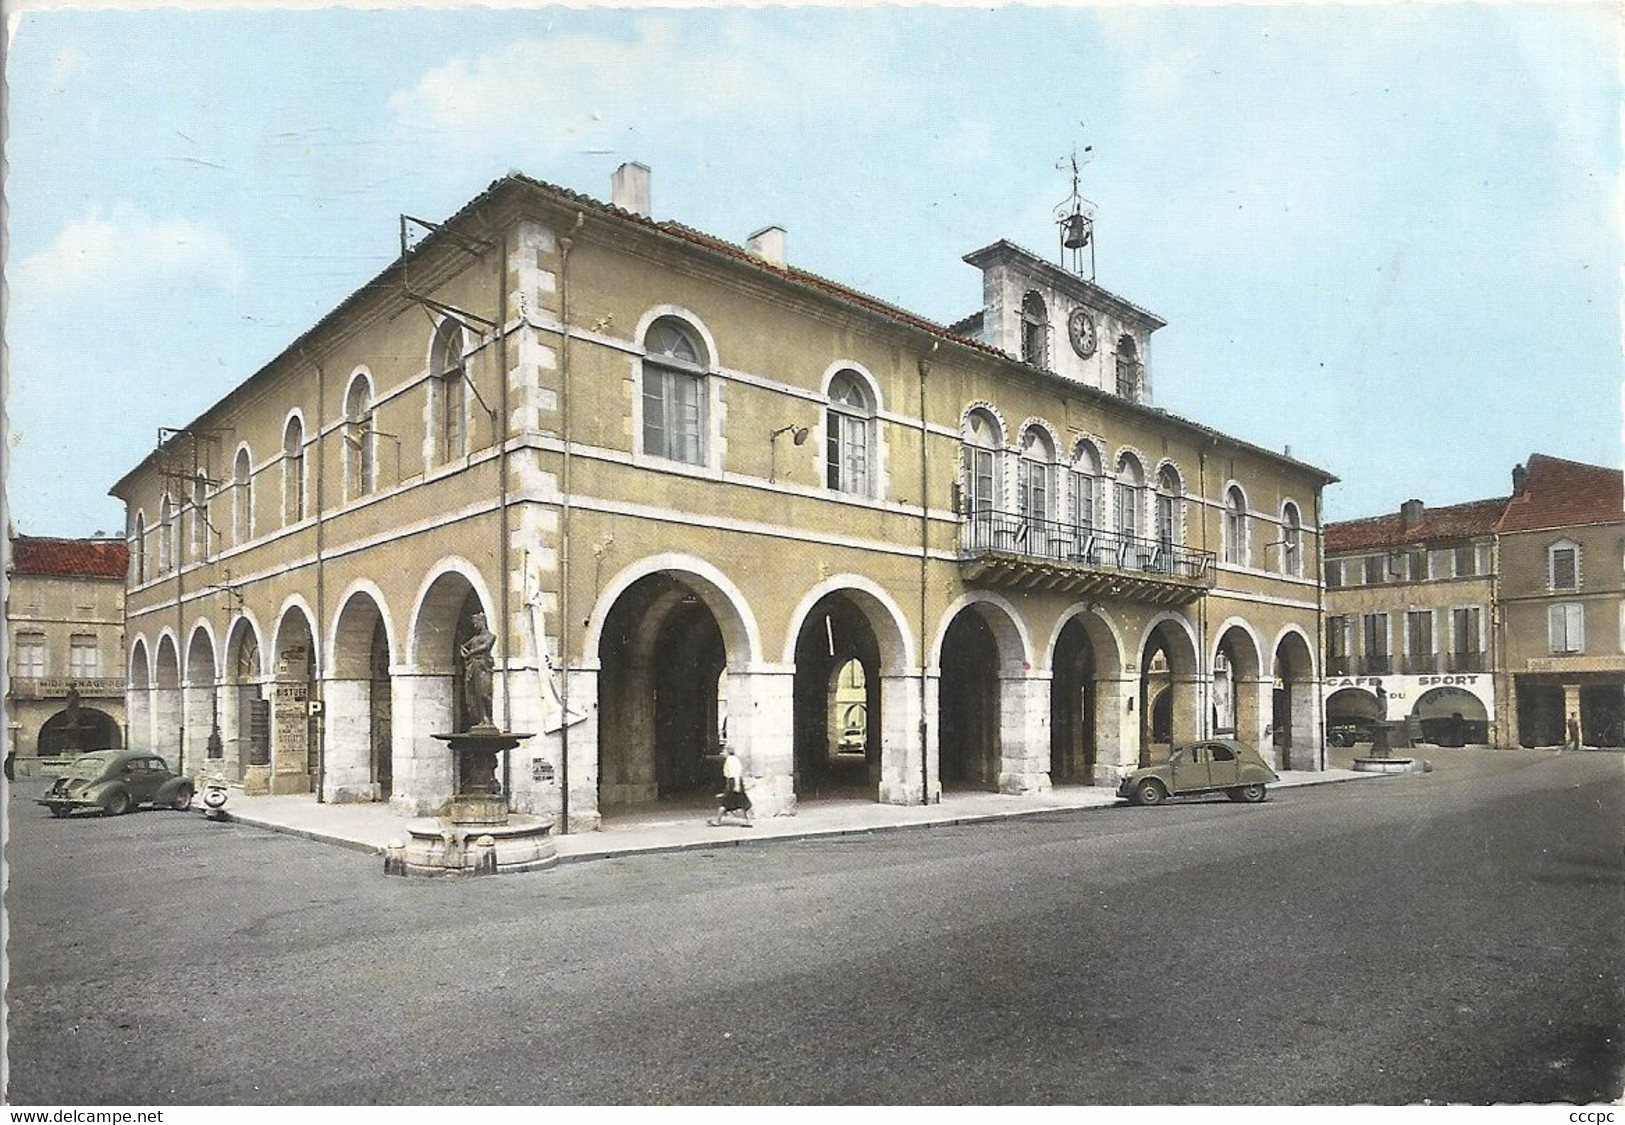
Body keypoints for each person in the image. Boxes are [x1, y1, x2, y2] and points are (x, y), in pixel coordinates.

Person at [459, 613, 497, 728]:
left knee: (485, 693)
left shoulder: (491, 636)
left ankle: (489, 719)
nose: (475, 626)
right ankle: (482, 719)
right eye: (474, 624)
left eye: (476, 623)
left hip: (484, 666)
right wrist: (463, 652)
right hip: (473, 666)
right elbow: (462, 646)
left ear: (482, 622)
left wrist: (471, 653)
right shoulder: (474, 639)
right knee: (476, 694)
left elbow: (486, 647)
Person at [709, 744, 752, 827]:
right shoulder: (735, 759)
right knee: (743, 802)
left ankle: (717, 821)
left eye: (724, 751)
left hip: (733, 782)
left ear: (728, 752)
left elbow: (734, 773)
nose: (723, 753)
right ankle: (748, 821)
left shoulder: (730, 760)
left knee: (725, 802)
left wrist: (736, 785)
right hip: (737, 781)